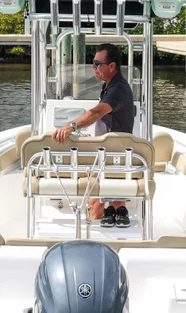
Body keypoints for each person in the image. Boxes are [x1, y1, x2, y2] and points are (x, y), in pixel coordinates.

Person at [52, 43, 135, 228]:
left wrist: (71, 126)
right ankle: (113, 211)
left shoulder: (118, 89)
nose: (93, 68)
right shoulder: (110, 86)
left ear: (111, 66)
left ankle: (94, 228)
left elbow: (98, 112)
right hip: (112, 152)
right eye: (93, 63)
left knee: (95, 201)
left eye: (97, 64)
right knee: (101, 198)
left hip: (114, 155)